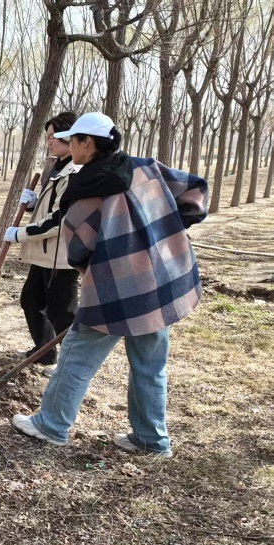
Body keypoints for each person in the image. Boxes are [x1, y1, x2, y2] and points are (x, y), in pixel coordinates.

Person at [11, 112, 209, 457]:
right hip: (159, 284)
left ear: (87, 143)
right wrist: (165, 230)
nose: (69, 146)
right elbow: (194, 192)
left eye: (73, 140)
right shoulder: (146, 168)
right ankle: (151, 439)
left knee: (76, 355)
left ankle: (51, 425)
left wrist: (103, 266)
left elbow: (78, 249)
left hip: (115, 292)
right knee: (150, 364)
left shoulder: (86, 192)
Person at [2, 112, 80, 372]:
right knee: (31, 300)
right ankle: (45, 352)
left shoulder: (75, 172)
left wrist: (20, 233)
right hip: (45, 253)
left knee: (62, 312)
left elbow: (60, 219)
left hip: (62, 256)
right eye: (47, 137)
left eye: (53, 136)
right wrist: (33, 205)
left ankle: (72, 365)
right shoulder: (58, 167)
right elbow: (50, 208)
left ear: (70, 135)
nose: (49, 142)